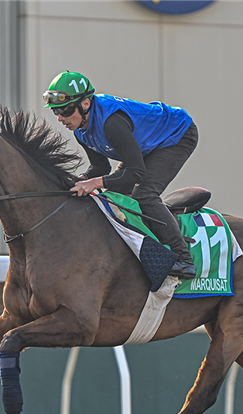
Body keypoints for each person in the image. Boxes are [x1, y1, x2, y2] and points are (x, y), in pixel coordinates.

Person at [43, 71, 198, 280]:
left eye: (65, 110)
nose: (60, 117)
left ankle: (184, 259)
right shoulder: (80, 128)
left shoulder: (111, 123)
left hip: (177, 134)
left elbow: (136, 173)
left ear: (86, 104)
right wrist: (78, 181)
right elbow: (100, 168)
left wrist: (93, 184)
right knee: (113, 195)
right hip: (148, 143)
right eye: (56, 112)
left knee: (144, 194)